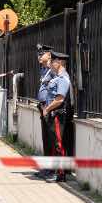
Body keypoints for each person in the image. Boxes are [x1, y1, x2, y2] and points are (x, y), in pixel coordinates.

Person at [41, 51, 72, 183]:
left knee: (59, 144)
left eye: (52, 61)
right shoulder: (56, 78)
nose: (50, 64)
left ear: (58, 63)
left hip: (57, 115)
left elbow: (59, 99)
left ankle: (61, 174)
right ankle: (56, 171)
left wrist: (47, 109)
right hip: (52, 115)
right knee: (55, 144)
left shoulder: (63, 79)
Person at [36, 44, 53, 178]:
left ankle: (52, 169)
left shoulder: (53, 70)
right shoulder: (43, 69)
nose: (39, 56)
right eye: (39, 54)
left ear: (49, 55)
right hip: (42, 107)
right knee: (45, 139)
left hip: (49, 109)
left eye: (42, 54)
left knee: (52, 139)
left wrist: (47, 107)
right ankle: (46, 167)